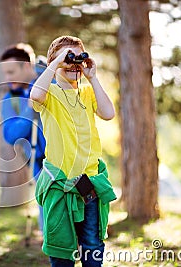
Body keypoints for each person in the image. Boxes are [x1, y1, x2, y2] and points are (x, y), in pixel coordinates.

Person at [30, 36, 117, 267]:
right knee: (61, 248)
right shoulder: (49, 93)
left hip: (88, 183)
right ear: (54, 62)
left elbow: (108, 113)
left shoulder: (88, 93)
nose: (73, 63)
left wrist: (93, 77)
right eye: (68, 57)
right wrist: (56, 63)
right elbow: (35, 96)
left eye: (77, 57)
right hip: (60, 183)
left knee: (92, 243)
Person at [0, 43, 46, 233]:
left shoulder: (50, 81)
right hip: (38, 161)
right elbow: (11, 135)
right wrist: (29, 108)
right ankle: (52, 247)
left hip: (67, 155)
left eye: (11, 72)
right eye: (5, 73)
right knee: (46, 202)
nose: (8, 78)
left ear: (27, 66)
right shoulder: (11, 99)